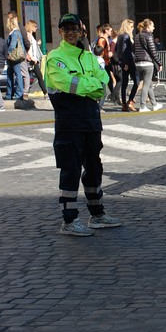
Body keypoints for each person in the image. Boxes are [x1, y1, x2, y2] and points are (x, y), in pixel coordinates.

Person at [44, 13, 122, 236]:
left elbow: (104, 80)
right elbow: (66, 82)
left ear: (81, 31)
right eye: (66, 28)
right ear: (60, 31)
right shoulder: (55, 58)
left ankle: (97, 215)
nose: (70, 32)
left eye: (74, 29)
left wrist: (88, 85)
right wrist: (92, 86)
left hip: (91, 121)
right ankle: (69, 221)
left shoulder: (88, 57)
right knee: (70, 170)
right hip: (69, 123)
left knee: (94, 168)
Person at [133, 18, 163, 112]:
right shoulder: (148, 36)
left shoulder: (137, 36)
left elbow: (134, 49)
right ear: (149, 26)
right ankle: (142, 106)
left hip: (138, 62)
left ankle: (154, 104)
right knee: (146, 84)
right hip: (147, 62)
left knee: (149, 83)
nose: (154, 28)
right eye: (153, 26)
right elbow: (153, 51)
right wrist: (159, 63)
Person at [116, 19, 138, 112]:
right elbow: (125, 51)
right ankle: (130, 101)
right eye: (131, 27)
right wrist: (125, 63)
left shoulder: (120, 36)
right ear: (127, 26)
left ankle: (125, 103)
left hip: (124, 62)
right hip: (129, 61)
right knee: (136, 81)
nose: (133, 29)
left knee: (124, 84)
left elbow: (118, 50)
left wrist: (122, 62)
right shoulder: (126, 36)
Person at [8, 11, 31, 98]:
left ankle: (23, 93)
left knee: (22, 74)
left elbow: (25, 41)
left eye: (10, 18)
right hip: (16, 55)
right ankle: (17, 93)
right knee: (18, 74)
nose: (8, 20)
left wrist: (25, 51)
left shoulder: (18, 29)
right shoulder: (14, 30)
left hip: (19, 55)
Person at [25, 20, 48, 99]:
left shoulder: (31, 36)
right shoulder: (28, 35)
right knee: (29, 77)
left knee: (38, 76)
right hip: (31, 60)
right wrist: (31, 57)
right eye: (35, 26)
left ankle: (45, 93)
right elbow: (27, 48)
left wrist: (37, 44)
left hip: (34, 59)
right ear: (30, 27)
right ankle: (25, 93)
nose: (36, 28)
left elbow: (32, 47)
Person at [5, 16, 25, 101]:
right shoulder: (16, 32)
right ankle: (10, 94)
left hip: (13, 57)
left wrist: (7, 53)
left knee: (17, 75)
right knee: (11, 75)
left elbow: (13, 45)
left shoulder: (14, 33)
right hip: (14, 57)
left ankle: (18, 94)